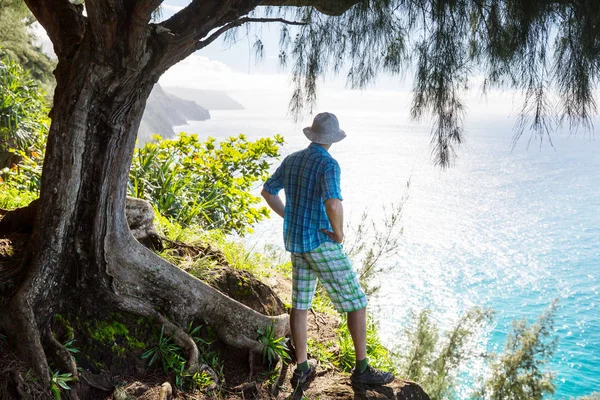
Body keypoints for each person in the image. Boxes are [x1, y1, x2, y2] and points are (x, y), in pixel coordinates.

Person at [261, 112, 395, 389]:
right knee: (357, 302)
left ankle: (302, 368)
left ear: (312, 134)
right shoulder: (328, 164)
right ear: (332, 139)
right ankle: (361, 370)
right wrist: (340, 233)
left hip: (297, 243)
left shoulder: (293, 159)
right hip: (321, 243)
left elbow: (268, 191)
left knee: (300, 304)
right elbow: (333, 203)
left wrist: (289, 216)